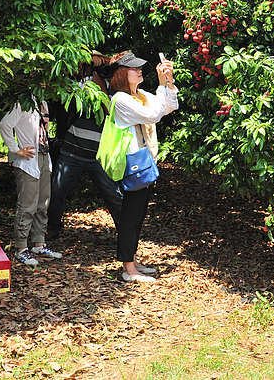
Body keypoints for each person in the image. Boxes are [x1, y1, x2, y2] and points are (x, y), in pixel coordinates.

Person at [107, 51, 178, 283]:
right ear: (121, 74)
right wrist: (161, 85)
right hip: (132, 164)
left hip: (144, 161)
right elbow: (152, 115)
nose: (139, 71)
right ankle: (129, 269)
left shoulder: (139, 95)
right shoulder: (121, 100)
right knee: (130, 216)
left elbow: (168, 106)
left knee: (138, 215)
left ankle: (133, 262)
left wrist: (168, 82)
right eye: (134, 69)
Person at [47, 52, 123, 242]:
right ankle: (52, 230)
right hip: (72, 151)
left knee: (114, 196)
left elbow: (109, 110)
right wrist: (91, 59)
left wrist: (100, 80)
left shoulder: (116, 91)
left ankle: (126, 235)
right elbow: (73, 59)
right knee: (57, 191)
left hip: (99, 155)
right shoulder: (80, 85)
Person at [0, 97, 62, 266]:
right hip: (28, 161)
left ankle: (39, 244)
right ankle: (21, 248)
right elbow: (5, 124)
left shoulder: (43, 101)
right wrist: (15, 149)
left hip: (42, 157)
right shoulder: (22, 102)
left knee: (43, 202)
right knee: (27, 205)